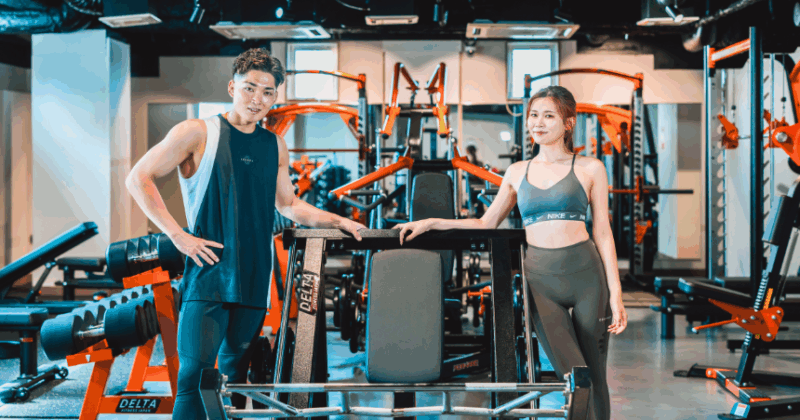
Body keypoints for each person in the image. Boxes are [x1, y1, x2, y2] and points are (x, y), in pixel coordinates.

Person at [125, 48, 366, 419]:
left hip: (255, 276)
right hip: (208, 274)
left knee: (235, 376)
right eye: (249, 88)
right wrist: (178, 236)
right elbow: (138, 178)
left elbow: (289, 205)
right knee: (194, 376)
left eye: (268, 92)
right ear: (232, 87)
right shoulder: (197, 132)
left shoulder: (274, 144)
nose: (258, 99)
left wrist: (339, 221)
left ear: (275, 96)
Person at [397, 85, 626, 420]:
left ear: (568, 123)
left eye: (549, 116)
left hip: (588, 279)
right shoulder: (518, 172)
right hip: (541, 283)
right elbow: (485, 222)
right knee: (575, 375)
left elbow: (603, 233)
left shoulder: (591, 168)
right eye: (534, 115)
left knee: (595, 375)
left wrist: (616, 293)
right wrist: (432, 222)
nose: (538, 123)